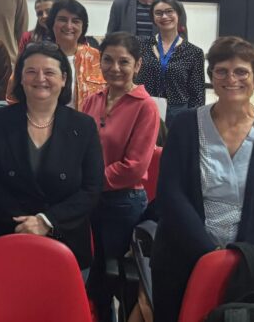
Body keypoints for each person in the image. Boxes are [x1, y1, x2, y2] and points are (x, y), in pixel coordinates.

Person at [152, 37, 254, 322]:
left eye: (241, 72)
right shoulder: (185, 125)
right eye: (221, 71)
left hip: (251, 264)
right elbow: (171, 194)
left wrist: (244, 255)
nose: (231, 79)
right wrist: (208, 253)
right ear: (211, 77)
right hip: (183, 252)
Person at [0, 42, 104, 275]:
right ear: (20, 78)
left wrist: (46, 222)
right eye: (31, 71)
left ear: (64, 79)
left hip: (66, 240)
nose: (40, 78)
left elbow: (92, 188)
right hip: (9, 235)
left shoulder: (83, 126)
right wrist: (25, 225)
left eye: (49, 72)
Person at [79, 33, 159, 321]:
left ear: (137, 65)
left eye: (123, 62)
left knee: (120, 281)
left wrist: (90, 182)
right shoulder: (93, 100)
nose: (115, 68)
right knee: (95, 279)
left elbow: (135, 167)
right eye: (108, 60)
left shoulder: (145, 106)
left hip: (123, 204)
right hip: (90, 201)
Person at [136, 0, 206, 121]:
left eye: (169, 11)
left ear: (178, 15)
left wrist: (192, 121)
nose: (164, 16)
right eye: (159, 13)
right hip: (144, 107)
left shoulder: (194, 52)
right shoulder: (141, 46)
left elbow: (198, 95)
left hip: (178, 113)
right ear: (153, 18)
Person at [44, 0, 106, 108]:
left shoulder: (96, 58)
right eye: (62, 20)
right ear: (52, 23)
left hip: (87, 118)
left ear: (83, 26)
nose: (69, 26)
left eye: (75, 21)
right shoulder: (37, 56)